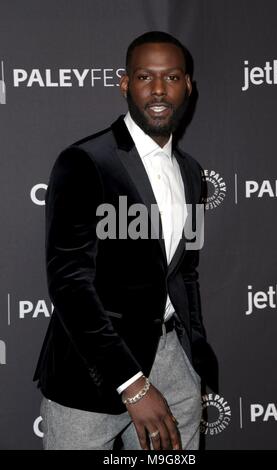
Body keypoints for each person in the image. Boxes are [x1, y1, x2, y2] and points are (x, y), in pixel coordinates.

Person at [33, 30, 208, 451]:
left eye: (172, 77)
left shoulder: (191, 172)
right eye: (146, 77)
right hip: (91, 370)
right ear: (125, 84)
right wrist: (132, 385)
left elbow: (185, 272)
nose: (159, 90)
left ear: (188, 86)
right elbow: (70, 284)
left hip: (172, 362)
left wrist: (195, 353)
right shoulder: (86, 162)